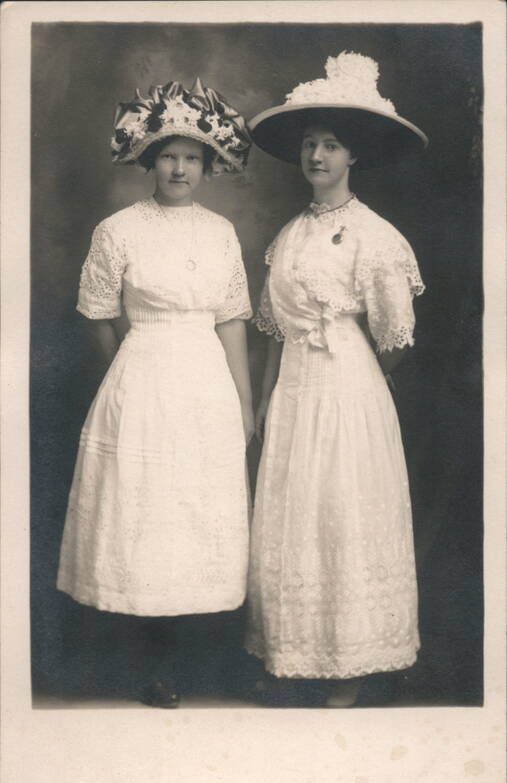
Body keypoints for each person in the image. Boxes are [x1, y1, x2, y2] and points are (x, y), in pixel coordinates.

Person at [57, 77, 254, 707]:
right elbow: (98, 316)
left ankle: (203, 661)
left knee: (199, 513)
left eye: (192, 157)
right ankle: (153, 666)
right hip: (142, 377)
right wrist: (132, 366)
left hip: (208, 385)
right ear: (149, 160)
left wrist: (244, 403)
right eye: (168, 155)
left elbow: (231, 320)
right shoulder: (118, 229)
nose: (179, 168)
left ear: (208, 164)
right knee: (148, 515)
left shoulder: (221, 232)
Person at [244, 52, 428, 707]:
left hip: (348, 391)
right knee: (294, 517)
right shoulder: (289, 235)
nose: (316, 156)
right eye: (309, 145)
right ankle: (292, 656)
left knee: (342, 514)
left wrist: (356, 384)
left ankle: (351, 664)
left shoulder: (375, 237)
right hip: (294, 391)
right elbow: (273, 329)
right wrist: (265, 401)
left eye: (329, 145)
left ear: (353, 156)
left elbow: (394, 338)